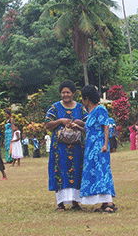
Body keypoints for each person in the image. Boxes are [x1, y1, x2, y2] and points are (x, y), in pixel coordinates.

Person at [45, 80, 88, 211]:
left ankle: (76, 202)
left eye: (68, 92)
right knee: (60, 171)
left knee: (76, 171)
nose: (65, 95)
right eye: (63, 92)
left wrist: (78, 123)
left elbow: (88, 126)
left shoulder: (81, 108)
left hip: (76, 148)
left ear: (73, 93)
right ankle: (60, 203)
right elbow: (47, 124)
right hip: (60, 148)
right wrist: (60, 121)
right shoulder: (54, 108)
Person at [80, 85, 117, 213]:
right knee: (94, 172)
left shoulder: (100, 109)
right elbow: (89, 130)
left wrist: (105, 144)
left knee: (102, 171)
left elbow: (105, 126)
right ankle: (102, 200)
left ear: (87, 98)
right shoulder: (90, 113)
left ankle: (109, 202)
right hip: (90, 147)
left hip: (99, 146)